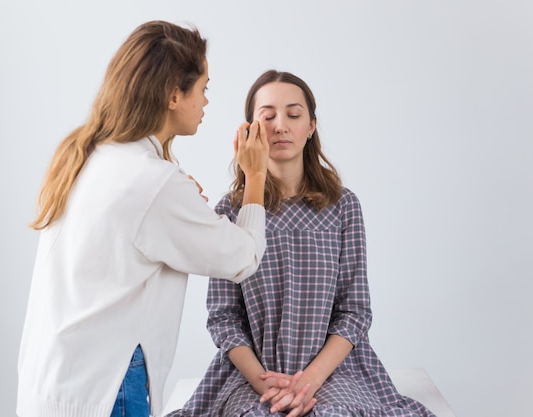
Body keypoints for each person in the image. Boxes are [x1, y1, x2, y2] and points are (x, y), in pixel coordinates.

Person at [16, 21, 270, 417]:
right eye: (203, 88)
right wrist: (255, 176)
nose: (206, 102)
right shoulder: (153, 182)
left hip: (49, 382)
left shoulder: (87, 155)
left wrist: (177, 199)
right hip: (107, 388)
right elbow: (243, 258)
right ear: (173, 95)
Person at [165, 70, 436, 417]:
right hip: (253, 374)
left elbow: (354, 312)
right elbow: (224, 318)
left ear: (311, 127)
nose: (280, 125)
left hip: (334, 371)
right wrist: (269, 386)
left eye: (294, 115)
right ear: (250, 130)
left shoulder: (343, 206)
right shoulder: (231, 212)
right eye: (268, 116)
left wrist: (307, 381)